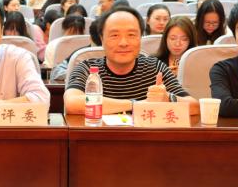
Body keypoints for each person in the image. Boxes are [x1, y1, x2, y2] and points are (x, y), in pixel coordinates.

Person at [64, 6, 197, 114]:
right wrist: (136, 105)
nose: (123, 43)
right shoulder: (88, 69)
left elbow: (194, 107)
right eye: (115, 35)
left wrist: (168, 98)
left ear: (141, 38)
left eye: (131, 35)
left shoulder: (155, 68)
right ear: (102, 39)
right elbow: (72, 103)